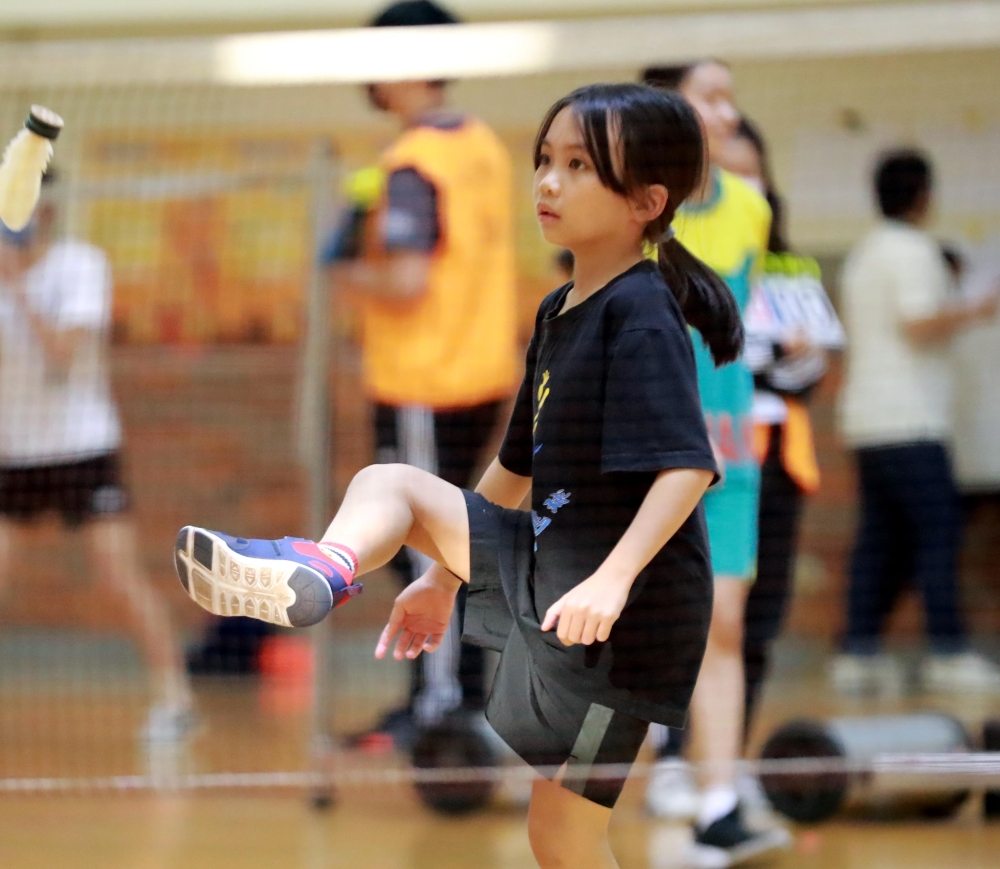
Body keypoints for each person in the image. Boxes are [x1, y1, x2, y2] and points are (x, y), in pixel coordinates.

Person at [176, 82, 739, 869]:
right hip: (565, 580)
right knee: (562, 838)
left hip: (626, 610)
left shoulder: (641, 312)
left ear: (647, 199)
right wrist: (441, 579)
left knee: (396, 484)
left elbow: (687, 469)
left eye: (579, 166)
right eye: (545, 159)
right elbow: (514, 466)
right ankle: (323, 568)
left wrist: (611, 582)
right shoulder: (558, 311)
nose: (547, 181)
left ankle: (320, 567)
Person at [321, 0, 519, 749]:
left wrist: (344, 266)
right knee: (450, 531)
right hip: (478, 371)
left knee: (428, 540)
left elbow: (403, 280)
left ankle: (445, 703)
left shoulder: (413, 162)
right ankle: (441, 696)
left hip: (424, 380)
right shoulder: (484, 146)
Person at [643, 63, 791, 866]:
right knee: (632, 629)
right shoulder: (634, 208)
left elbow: (732, 342)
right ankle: (586, 794)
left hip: (730, 452)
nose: (728, 109)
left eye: (735, 93)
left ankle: (719, 800)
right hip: (649, 450)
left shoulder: (754, 209)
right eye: (710, 93)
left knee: (724, 623)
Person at [0, 173, 193, 742]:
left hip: (81, 448)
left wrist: (18, 285)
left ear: (50, 212)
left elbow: (62, 354)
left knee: (116, 574)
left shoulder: (81, 267)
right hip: (13, 452)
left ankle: (176, 697)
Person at [834, 149, 1000, 694]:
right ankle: (947, 652)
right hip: (909, 418)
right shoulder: (910, 250)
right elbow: (919, 322)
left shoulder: (864, 253)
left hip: (868, 419)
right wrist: (977, 309)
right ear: (925, 196)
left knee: (879, 537)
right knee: (939, 531)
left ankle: (858, 653)